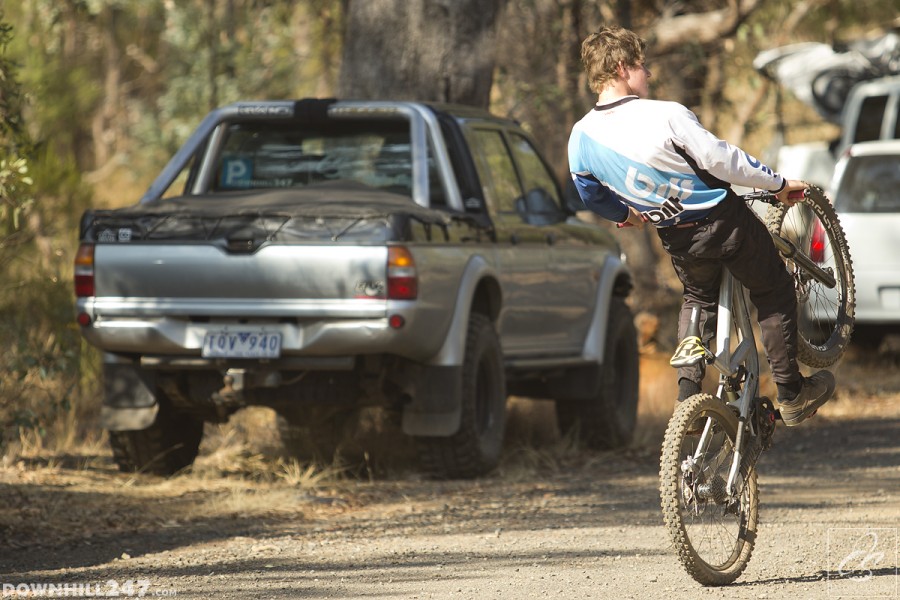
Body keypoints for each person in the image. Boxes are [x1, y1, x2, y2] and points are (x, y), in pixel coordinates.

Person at [568, 26, 834, 426]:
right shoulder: (665, 114)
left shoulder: (580, 137)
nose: (649, 74)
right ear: (622, 68)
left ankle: (688, 396)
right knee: (773, 288)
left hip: (676, 238)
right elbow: (720, 159)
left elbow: (588, 193)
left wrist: (625, 215)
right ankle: (792, 393)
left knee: (697, 298)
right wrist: (777, 184)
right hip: (725, 224)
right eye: (642, 65)